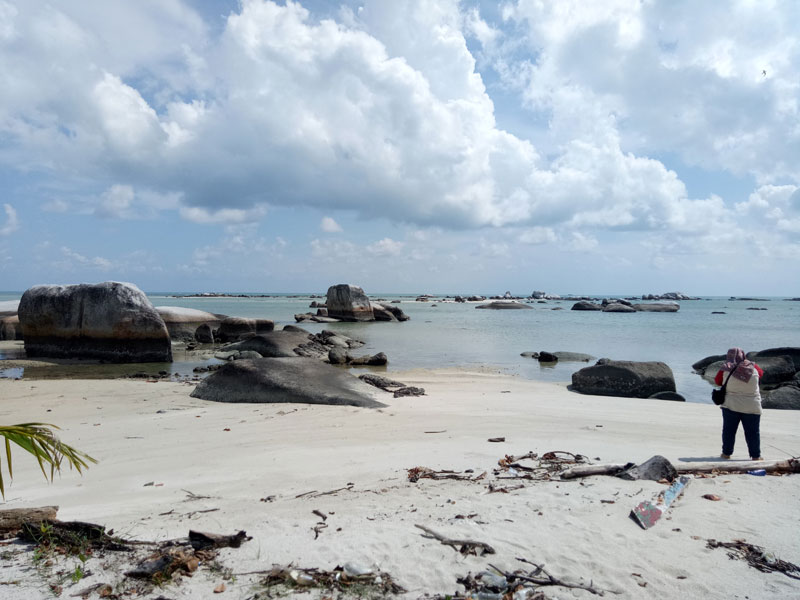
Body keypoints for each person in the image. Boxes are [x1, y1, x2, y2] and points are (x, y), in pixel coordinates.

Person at [715, 347, 764, 460]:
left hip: (731, 404)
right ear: (744, 356)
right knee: (753, 432)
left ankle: (726, 453)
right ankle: (756, 456)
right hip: (752, 405)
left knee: (729, 431)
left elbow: (718, 382)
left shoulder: (725, 368)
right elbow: (761, 375)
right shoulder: (754, 367)